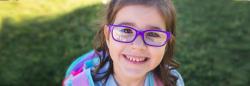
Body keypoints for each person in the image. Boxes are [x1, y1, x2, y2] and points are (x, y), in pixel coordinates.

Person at [63, 0, 184, 86]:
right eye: (126, 30)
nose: (138, 46)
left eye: (153, 34)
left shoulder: (172, 81)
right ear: (108, 36)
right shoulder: (79, 84)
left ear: (166, 44)